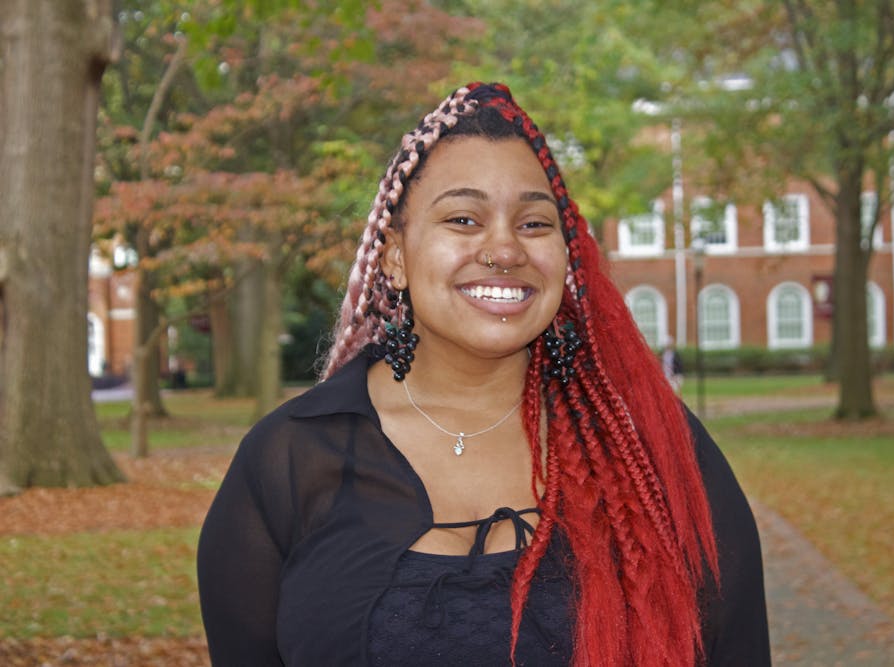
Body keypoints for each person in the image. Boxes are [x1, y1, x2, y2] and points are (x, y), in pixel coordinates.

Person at [197, 82, 770, 666]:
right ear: (395, 255)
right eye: (464, 218)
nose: (504, 249)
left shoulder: (653, 450)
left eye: (534, 224)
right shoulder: (290, 460)